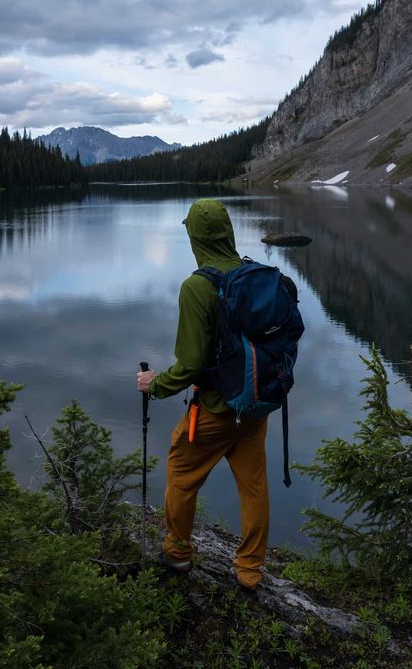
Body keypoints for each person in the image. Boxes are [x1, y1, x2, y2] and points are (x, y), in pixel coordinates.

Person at [137, 198, 269, 590]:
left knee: (180, 472)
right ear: (226, 232)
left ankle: (177, 553)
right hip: (255, 406)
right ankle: (249, 570)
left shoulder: (198, 286)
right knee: (254, 487)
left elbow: (192, 364)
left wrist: (154, 384)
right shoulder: (252, 274)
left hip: (214, 410)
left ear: (196, 236)